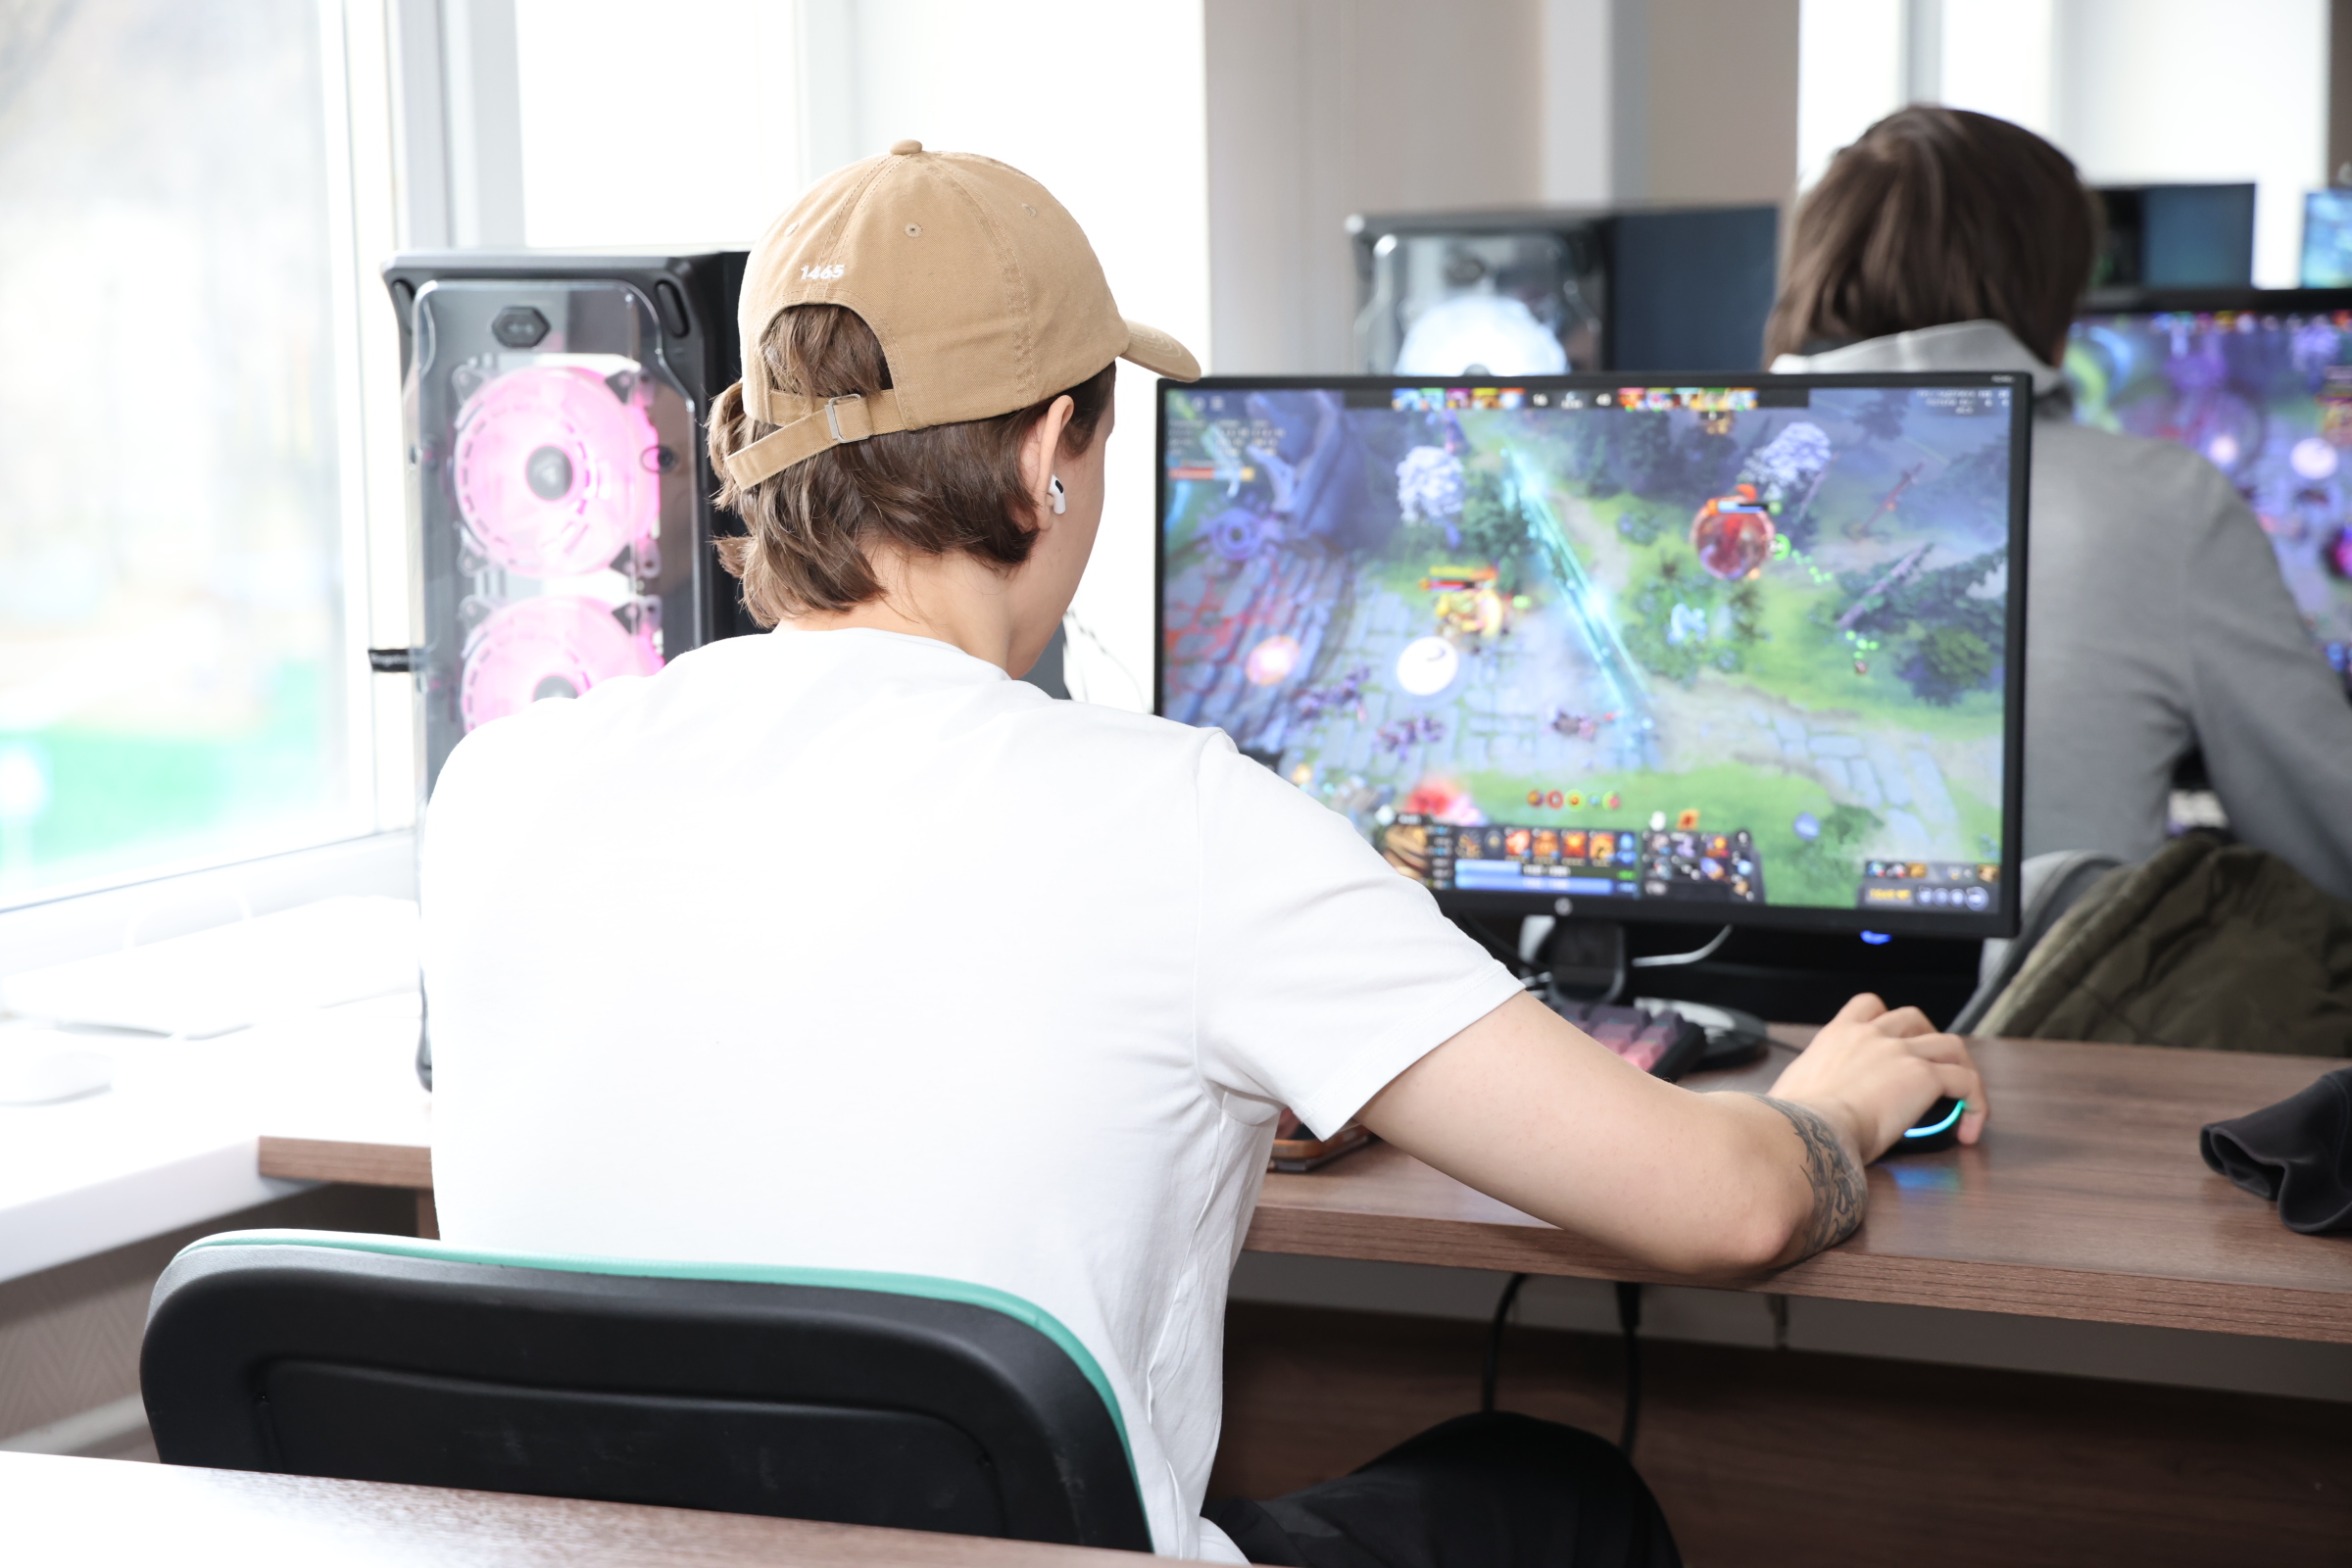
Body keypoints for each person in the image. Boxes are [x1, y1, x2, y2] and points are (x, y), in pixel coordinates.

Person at [420, 141, 1985, 1568]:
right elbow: (1717, 1208)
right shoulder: (1180, 822)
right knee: (1553, 1493)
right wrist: (1835, 1106)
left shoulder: (496, 788)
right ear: (1050, 453)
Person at [1767, 106, 2352, 903]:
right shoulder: (2164, 503)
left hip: (1681, 983)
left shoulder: (1715, 467)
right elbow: (2331, 834)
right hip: (2036, 985)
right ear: (2052, 297)